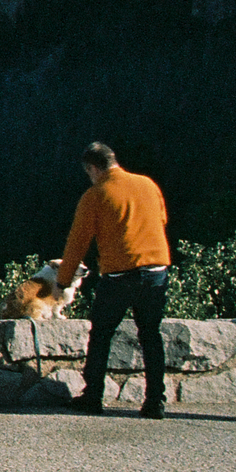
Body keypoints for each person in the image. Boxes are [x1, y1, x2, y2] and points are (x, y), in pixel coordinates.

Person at [57, 142, 173, 418]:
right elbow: (162, 219)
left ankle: (93, 396)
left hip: (120, 275)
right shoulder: (147, 184)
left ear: (92, 168)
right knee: (151, 335)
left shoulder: (95, 195)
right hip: (157, 271)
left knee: (101, 335)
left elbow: (77, 243)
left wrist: (62, 281)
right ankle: (155, 400)